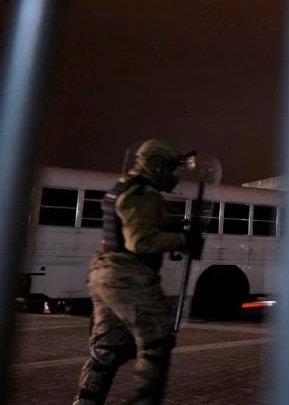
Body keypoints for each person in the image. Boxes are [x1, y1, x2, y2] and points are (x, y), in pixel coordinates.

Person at [73, 140, 201, 405]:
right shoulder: (144, 193)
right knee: (157, 344)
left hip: (104, 274)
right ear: (154, 165)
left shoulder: (121, 187)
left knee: (107, 350)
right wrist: (182, 240)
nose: (173, 175)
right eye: (168, 168)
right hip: (129, 276)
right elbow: (141, 242)